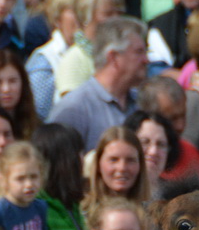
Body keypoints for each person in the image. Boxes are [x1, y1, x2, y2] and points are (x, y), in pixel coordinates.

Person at [47, 17, 148, 154]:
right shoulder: (74, 109)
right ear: (113, 57)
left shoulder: (142, 103)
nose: (146, 60)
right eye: (139, 52)